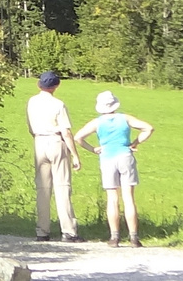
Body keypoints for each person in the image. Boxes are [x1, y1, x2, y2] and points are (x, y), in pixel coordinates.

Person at [76, 90, 154, 248]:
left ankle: (114, 237)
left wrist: (93, 149)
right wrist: (135, 142)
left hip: (107, 159)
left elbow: (78, 137)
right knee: (129, 199)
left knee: (112, 199)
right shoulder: (124, 118)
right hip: (125, 156)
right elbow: (148, 128)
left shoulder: (97, 122)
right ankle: (134, 238)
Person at [26, 71, 81, 242]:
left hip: (39, 142)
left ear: (39, 85)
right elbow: (66, 131)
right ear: (56, 86)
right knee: (62, 186)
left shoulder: (32, 102)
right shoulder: (58, 104)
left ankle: (42, 230)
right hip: (56, 141)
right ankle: (68, 230)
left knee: (43, 189)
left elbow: (30, 127)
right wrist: (74, 154)